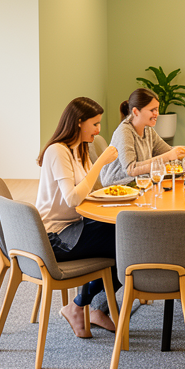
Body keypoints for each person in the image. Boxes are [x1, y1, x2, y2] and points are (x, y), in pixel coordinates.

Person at [35, 97, 122, 338]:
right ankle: (79, 306)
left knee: (128, 238)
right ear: (79, 122)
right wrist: (100, 162)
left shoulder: (79, 149)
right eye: (95, 124)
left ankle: (92, 307)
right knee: (127, 244)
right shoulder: (57, 151)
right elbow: (73, 198)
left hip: (74, 226)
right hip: (54, 237)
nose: (98, 130)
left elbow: (90, 191)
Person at [100, 88, 185, 188]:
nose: (157, 114)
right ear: (136, 112)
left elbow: (167, 152)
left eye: (157, 109)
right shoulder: (124, 131)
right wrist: (169, 156)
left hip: (141, 185)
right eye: (152, 110)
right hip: (119, 188)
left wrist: (183, 153)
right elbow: (131, 169)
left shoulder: (148, 130)